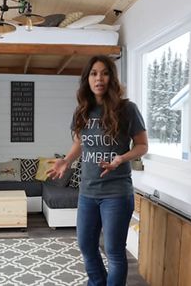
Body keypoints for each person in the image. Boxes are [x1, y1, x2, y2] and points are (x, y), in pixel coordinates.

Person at [47, 55, 148, 286]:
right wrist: (67, 160)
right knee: (86, 246)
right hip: (88, 192)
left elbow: (142, 146)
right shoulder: (82, 111)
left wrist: (120, 158)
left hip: (116, 193)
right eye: (94, 73)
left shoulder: (127, 109)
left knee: (114, 252)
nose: (99, 78)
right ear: (87, 79)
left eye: (104, 73)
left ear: (111, 78)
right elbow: (80, 144)